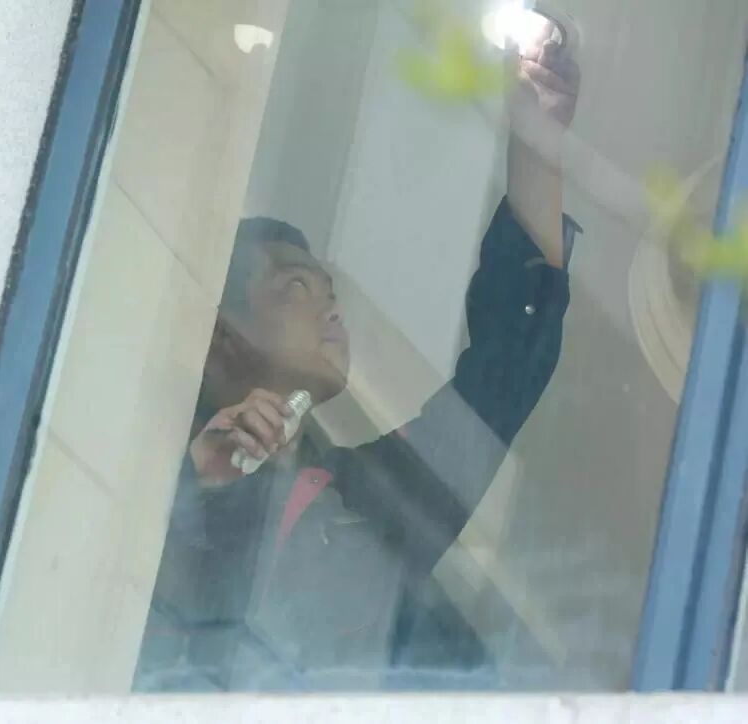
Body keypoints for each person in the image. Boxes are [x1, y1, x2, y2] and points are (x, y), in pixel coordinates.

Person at [134, 37, 581, 691]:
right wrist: (202, 493)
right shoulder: (147, 459)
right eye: (295, 286)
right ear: (221, 335)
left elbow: (506, 367)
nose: (331, 310)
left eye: (331, 292)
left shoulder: (365, 499)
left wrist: (536, 141)